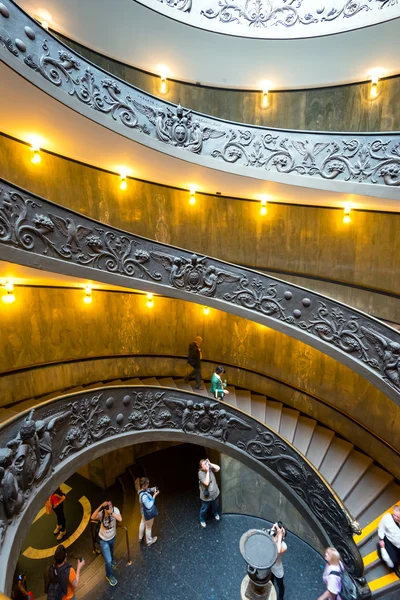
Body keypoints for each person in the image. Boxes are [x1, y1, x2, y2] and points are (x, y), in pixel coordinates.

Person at [91, 500, 122, 587]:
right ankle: (109, 575)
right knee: (107, 560)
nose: (109, 507)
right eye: (107, 506)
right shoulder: (102, 513)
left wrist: (111, 513)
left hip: (112, 537)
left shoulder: (115, 510)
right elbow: (92, 517)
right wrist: (101, 505)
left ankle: (112, 561)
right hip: (103, 540)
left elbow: (120, 518)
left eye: (111, 505)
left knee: (112, 551)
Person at [377, 504, 400, 577]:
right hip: (391, 542)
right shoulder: (387, 518)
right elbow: (381, 528)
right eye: (395, 515)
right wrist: (381, 539)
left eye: (398, 517)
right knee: (394, 560)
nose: (396, 518)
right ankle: (395, 568)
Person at [198, 458, 220, 528]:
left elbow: (218, 468)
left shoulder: (210, 467)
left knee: (215, 506)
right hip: (206, 497)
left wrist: (210, 464)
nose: (206, 465)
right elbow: (206, 483)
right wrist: (207, 472)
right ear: (201, 467)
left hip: (215, 494)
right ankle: (202, 519)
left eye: (206, 463)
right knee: (204, 509)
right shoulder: (200, 473)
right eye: (204, 464)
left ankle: (215, 513)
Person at [138, 477, 160, 547]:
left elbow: (148, 490)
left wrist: (153, 489)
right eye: (147, 484)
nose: (148, 485)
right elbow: (149, 506)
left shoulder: (140, 490)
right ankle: (149, 541)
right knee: (148, 527)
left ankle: (140, 537)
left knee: (142, 522)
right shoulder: (144, 497)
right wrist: (154, 496)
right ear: (144, 485)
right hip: (148, 513)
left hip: (143, 512)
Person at [270, 523, 286, 600]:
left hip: (277, 569)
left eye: (282, 532)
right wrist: (273, 527)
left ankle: (280, 598)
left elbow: (278, 551)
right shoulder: (272, 537)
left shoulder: (284, 546)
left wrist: (279, 536)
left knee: (280, 585)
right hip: (270, 566)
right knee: (270, 581)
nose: (280, 532)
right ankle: (271, 594)